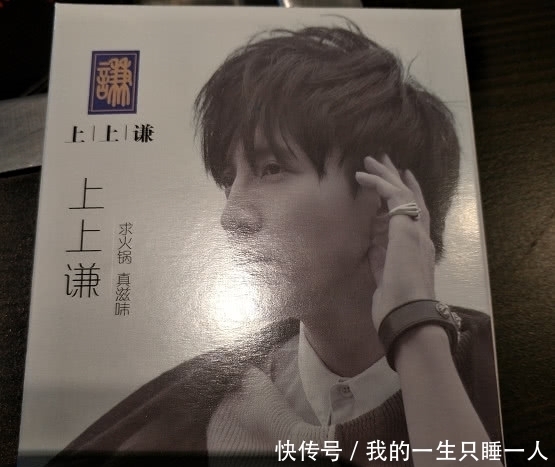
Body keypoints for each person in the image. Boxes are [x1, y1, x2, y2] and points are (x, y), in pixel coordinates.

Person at [47, 21, 502, 467]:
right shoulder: (184, 421)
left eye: (271, 169)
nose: (231, 217)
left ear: (385, 199)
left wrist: (416, 330)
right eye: (230, 180)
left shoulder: (498, 375)